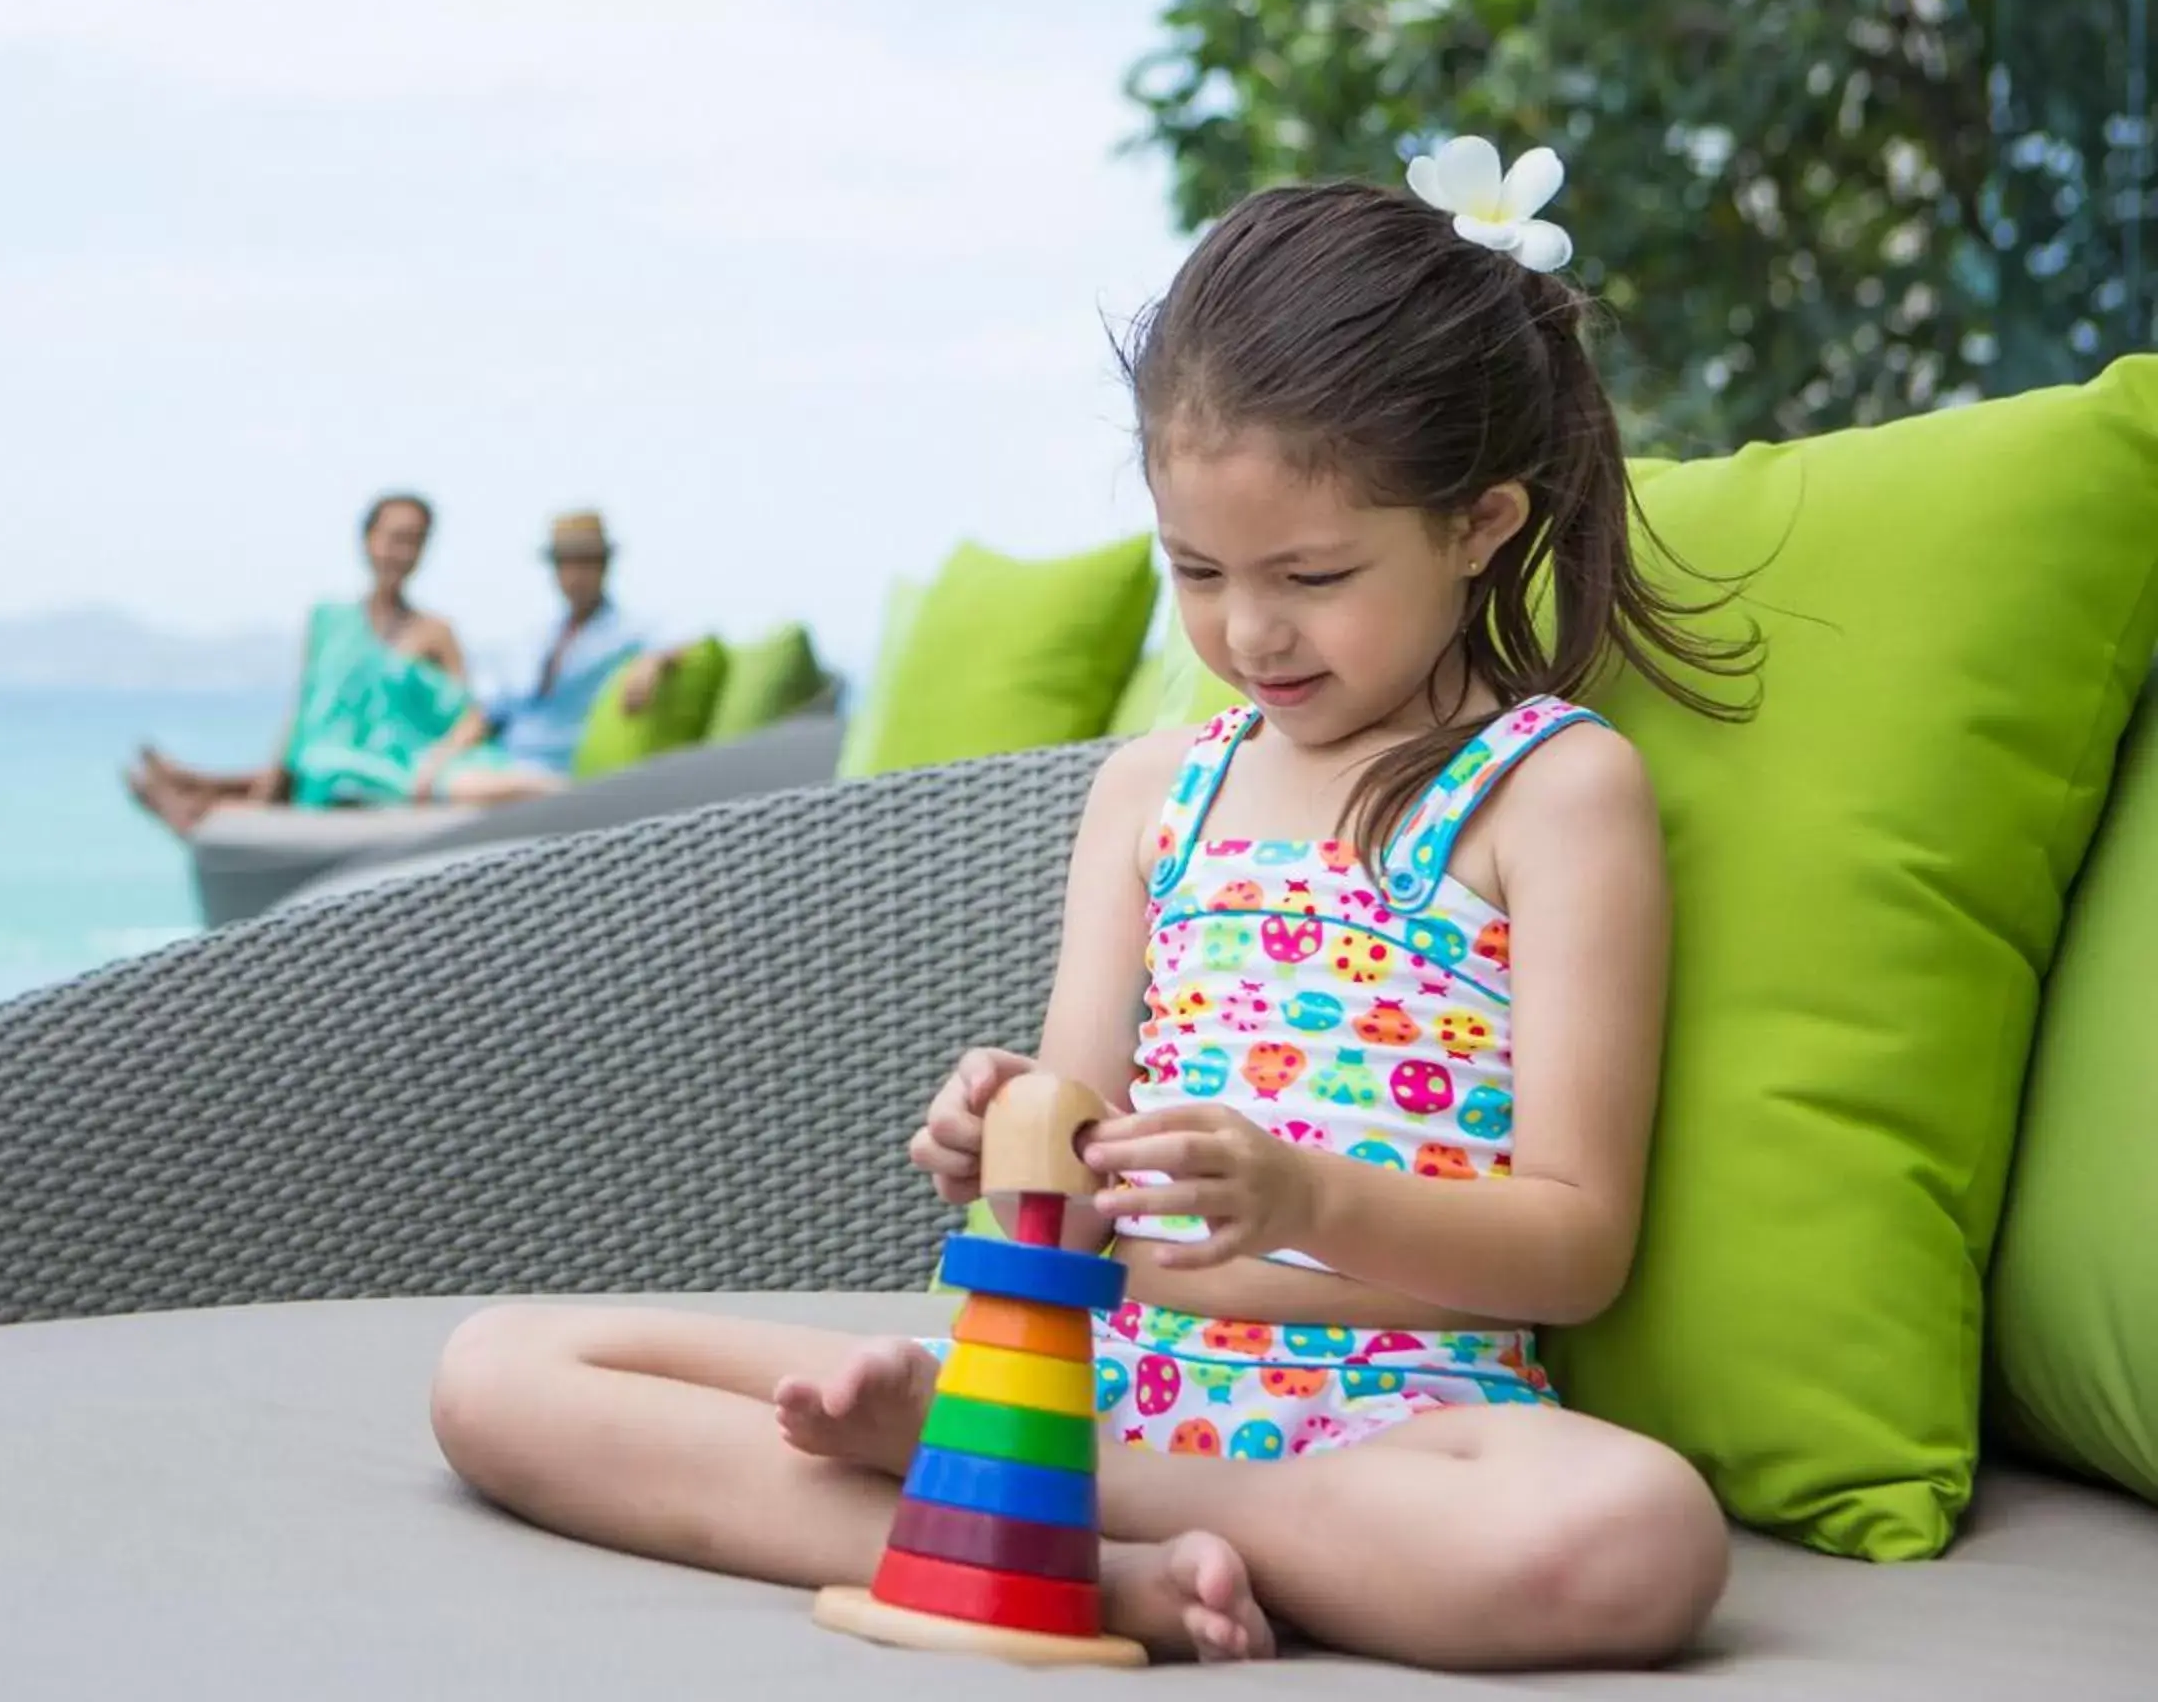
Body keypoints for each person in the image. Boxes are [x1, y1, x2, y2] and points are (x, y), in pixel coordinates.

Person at [425, 143, 1765, 1670]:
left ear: (1479, 524)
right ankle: (1100, 1566)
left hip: (1383, 1420)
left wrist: (1306, 1199)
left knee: (1634, 1539)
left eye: (1315, 574)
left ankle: (1045, 1523)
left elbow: (1576, 1245)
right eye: (1196, 569)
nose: (1250, 630)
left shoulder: (1553, 789)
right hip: (1078, 1364)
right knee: (501, 1370)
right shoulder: (1152, 791)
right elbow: (1060, 1193)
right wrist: (1003, 1139)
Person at [126, 492, 468, 836]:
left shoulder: (436, 633)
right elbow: (307, 710)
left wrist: (435, 763)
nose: (402, 553)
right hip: (324, 768)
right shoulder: (330, 620)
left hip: (388, 774)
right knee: (314, 767)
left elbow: (470, 717)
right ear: (368, 540)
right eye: (394, 538)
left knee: (331, 770)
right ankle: (197, 788)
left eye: (415, 541)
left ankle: (195, 790)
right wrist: (270, 785)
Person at [409, 509, 680, 806]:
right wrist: (443, 755)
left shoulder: (628, 632)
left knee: (465, 785)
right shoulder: (537, 639)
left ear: (603, 566)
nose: (575, 576)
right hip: (508, 758)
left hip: (559, 760)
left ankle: (561, 791)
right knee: (423, 769)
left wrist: (651, 663)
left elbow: (683, 642)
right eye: (565, 564)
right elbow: (492, 710)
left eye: (585, 563)